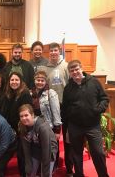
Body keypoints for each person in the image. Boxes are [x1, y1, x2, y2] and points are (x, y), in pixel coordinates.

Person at [62, 60, 109, 177]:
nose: (75, 72)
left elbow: (104, 98)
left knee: (98, 153)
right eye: (72, 71)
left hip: (93, 126)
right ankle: (79, 175)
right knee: (76, 154)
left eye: (76, 69)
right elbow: (65, 107)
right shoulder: (68, 88)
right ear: (69, 73)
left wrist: (98, 109)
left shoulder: (94, 82)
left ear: (81, 68)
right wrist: (69, 119)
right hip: (75, 126)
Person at [44, 42, 72, 174]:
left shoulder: (66, 66)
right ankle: (53, 163)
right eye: (51, 51)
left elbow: (72, 85)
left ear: (59, 51)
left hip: (65, 106)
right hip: (51, 108)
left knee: (67, 139)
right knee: (52, 138)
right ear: (48, 52)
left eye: (55, 50)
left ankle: (69, 167)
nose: (53, 53)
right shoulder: (45, 68)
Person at [0, 72, 32, 176]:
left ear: (21, 82)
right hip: (11, 131)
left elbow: (26, 115)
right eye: (12, 80)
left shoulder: (24, 94)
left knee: (23, 157)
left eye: (16, 80)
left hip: (22, 130)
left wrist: (19, 130)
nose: (14, 82)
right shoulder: (9, 94)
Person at [19, 104, 58, 177]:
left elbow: (46, 150)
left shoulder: (42, 127)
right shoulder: (22, 126)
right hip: (35, 147)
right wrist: (28, 165)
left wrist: (45, 173)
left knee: (46, 174)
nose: (24, 118)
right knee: (30, 172)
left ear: (32, 115)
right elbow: (26, 148)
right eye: (21, 116)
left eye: (26, 115)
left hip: (49, 149)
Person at [30, 71, 62, 139]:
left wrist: (57, 130)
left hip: (48, 127)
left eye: (42, 81)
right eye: (38, 80)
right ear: (34, 80)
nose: (40, 82)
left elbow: (56, 112)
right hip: (34, 127)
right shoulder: (30, 93)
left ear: (45, 82)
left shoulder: (51, 93)